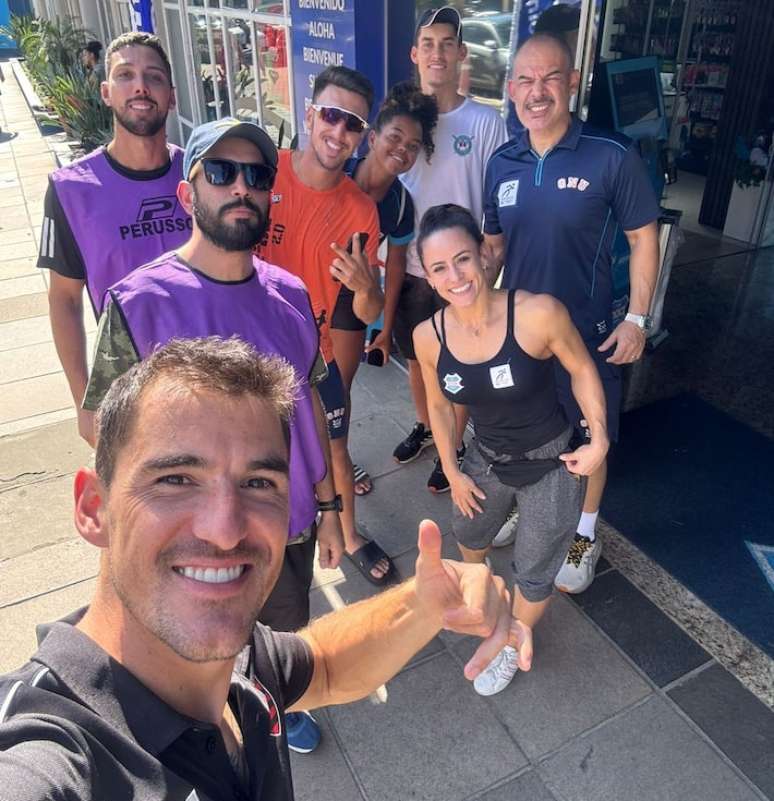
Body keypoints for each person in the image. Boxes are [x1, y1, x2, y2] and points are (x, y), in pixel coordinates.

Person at [0, 337, 532, 801]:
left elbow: (323, 666)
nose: (226, 528)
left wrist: (425, 601)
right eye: (176, 479)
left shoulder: (240, 662)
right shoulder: (50, 753)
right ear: (94, 508)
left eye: (259, 483)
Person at [81, 117, 344, 753]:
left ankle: (272, 705)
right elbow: (103, 431)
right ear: (187, 192)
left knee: (280, 629)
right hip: (187, 531)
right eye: (221, 173)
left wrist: (334, 509)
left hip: (285, 520)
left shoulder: (291, 295)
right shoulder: (139, 303)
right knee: (189, 640)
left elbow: (311, 408)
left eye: (256, 176)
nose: (241, 188)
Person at [484, 33, 660, 593]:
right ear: (511, 90)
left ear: (574, 82)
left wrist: (637, 318)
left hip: (587, 335)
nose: (538, 92)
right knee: (526, 429)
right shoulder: (501, 161)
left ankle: (584, 533)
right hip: (521, 337)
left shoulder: (611, 155)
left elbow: (644, 236)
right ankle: (527, 507)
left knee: (591, 433)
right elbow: (492, 248)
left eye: (551, 78)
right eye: (527, 81)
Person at [413, 204, 608, 696]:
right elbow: (438, 406)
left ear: (484, 255)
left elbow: (583, 369)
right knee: (469, 533)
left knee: (536, 569)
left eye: (462, 259)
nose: (455, 276)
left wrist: (599, 437)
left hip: (550, 462)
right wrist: (453, 470)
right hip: (485, 459)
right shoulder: (428, 336)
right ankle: (482, 601)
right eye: (439, 268)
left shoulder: (538, 312)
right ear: (429, 276)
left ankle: (509, 643)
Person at [257, 66, 394, 587]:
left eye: (353, 124)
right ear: (309, 114)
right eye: (331, 116)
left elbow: (365, 312)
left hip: (314, 358)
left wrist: (365, 287)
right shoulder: (265, 172)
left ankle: (349, 534)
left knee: (335, 445)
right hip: (248, 356)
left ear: (363, 135)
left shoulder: (361, 212)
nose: (339, 132)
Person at [37, 32, 190, 447]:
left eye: (153, 77)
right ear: (106, 92)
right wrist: (84, 400)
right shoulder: (72, 190)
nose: (140, 86)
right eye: (126, 75)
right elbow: (63, 300)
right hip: (129, 394)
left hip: (208, 383)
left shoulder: (202, 174)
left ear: (172, 96)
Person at [393, 5, 508, 493]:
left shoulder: (485, 122)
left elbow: (502, 202)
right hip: (413, 268)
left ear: (461, 53)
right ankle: (426, 426)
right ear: (414, 53)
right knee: (418, 361)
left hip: (461, 274)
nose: (437, 53)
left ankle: (453, 446)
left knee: (457, 366)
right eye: (428, 44)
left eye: (447, 43)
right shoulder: (400, 120)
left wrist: (490, 264)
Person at [338, 81, 439, 495]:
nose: (403, 149)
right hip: (304, 289)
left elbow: (395, 266)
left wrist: (383, 325)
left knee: (338, 391)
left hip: (350, 296)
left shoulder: (400, 203)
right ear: (373, 136)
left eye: (413, 145)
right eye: (395, 137)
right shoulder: (338, 172)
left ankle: (338, 460)